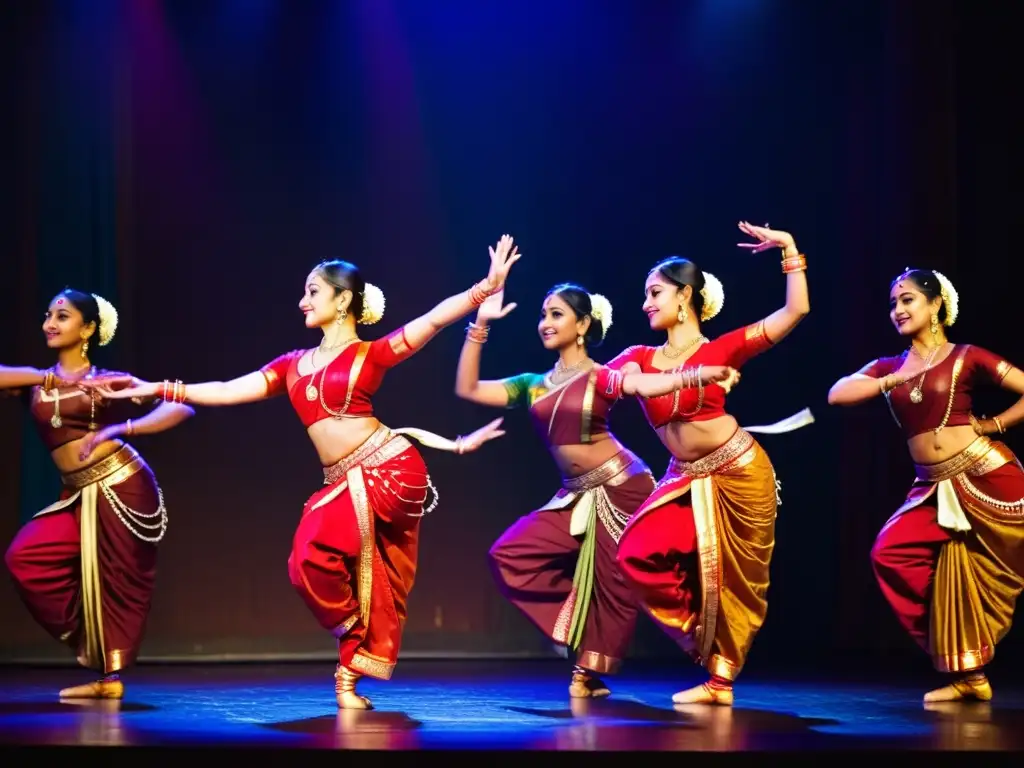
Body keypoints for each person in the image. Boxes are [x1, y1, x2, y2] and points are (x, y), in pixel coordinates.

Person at [86, 236, 520, 709]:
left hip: (387, 470)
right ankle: (350, 671)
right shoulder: (292, 365)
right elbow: (230, 390)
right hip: (345, 482)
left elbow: (432, 320)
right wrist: (159, 387)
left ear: (343, 300)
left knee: (311, 549)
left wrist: (484, 287)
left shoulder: (370, 355)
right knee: (333, 571)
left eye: (313, 291)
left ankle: (357, 637)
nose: (302, 301)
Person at [456, 282, 731, 697]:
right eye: (543, 315)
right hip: (575, 494)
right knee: (509, 554)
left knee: (624, 584)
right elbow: (469, 389)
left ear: (583, 324)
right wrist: (479, 322)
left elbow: (642, 386)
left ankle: (705, 661)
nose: (545, 323)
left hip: (622, 486)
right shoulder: (532, 383)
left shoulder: (601, 376)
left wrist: (694, 375)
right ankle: (581, 636)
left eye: (557, 314)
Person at [605, 222, 812, 706]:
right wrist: (694, 374)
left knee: (735, 582)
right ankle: (704, 636)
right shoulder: (638, 357)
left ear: (685, 296)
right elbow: (622, 385)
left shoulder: (725, 346)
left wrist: (790, 249)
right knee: (636, 554)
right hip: (684, 476)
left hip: (739, 470)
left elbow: (795, 310)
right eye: (645, 295)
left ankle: (720, 682)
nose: (646, 303)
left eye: (655, 292)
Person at [828, 268, 1024, 704]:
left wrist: (995, 424)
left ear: (936, 305)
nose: (897, 310)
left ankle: (968, 669)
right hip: (932, 486)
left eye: (909, 300)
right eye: (893, 303)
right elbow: (836, 394)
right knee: (890, 553)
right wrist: (884, 382)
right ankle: (966, 667)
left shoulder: (967, 356)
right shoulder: (890, 366)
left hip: (986, 473)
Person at [2, 289, 194, 700]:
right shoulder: (35, 385)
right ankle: (88, 643)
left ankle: (109, 680)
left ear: (88, 328)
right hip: (77, 493)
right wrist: (41, 377)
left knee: (115, 581)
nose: (50, 323)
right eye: (48, 314)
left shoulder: (108, 381)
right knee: (26, 557)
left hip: (121, 482)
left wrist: (120, 428)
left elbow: (180, 407)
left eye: (63, 316)